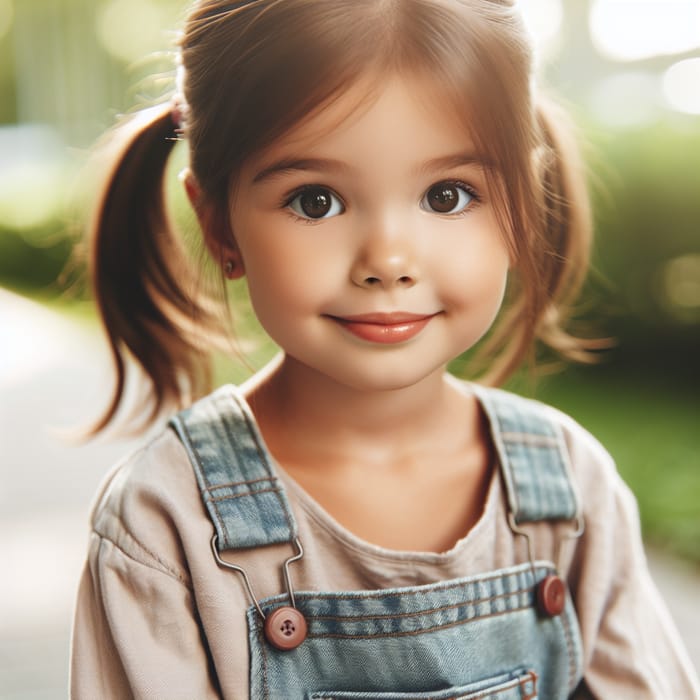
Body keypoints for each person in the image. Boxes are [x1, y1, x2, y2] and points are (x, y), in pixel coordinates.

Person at [70, 1, 699, 697]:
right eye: (316, 201)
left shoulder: (570, 488)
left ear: (522, 203)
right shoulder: (167, 519)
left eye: (448, 194)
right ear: (219, 225)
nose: (388, 260)